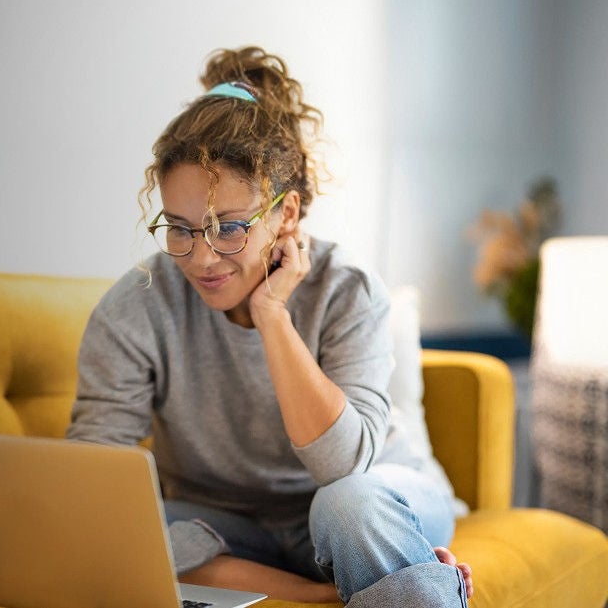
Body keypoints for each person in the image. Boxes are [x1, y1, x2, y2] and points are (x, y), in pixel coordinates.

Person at [65, 46, 474, 606]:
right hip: (227, 526)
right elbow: (93, 478)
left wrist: (272, 315)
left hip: (368, 498)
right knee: (113, 528)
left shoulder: (346, 288)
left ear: (286, 213)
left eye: (229, 228)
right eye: (179, 229)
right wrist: (311, 594)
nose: (202, 258)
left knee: (348, 506)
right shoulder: (136, 306)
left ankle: (376, 568)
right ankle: (344, 589)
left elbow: (341, 466)